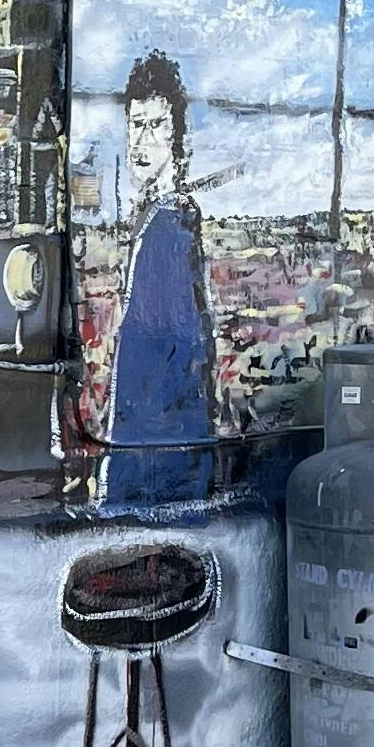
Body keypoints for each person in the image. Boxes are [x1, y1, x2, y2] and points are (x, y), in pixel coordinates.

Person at [100, 49, 217, 511]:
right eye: (135, 124)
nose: (141, 140)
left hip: (156, 454)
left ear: (177, 136)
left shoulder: (169, 226)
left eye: (155, 125)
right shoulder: (157, 219)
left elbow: (174, 350)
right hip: (156, 443)